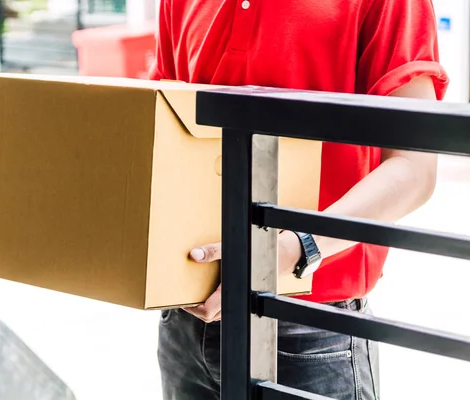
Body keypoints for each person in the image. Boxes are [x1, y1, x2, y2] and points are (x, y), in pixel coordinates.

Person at [148, 1, 449, 399]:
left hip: (311, 322)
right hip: (186, 317)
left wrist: (291, 249)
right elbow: (161, 131)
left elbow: (415, 170)